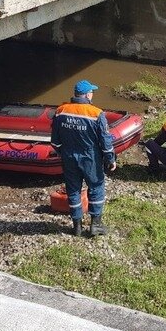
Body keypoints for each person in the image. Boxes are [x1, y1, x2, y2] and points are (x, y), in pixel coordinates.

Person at [51, 79, 116, 237]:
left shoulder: (61, 111)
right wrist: (110, 159)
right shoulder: (96, 113)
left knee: (73, 190)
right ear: (87, 94)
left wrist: (63, 153)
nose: (92, 94)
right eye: (92, 92)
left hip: (69, 156)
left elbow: (55, 141)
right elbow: (105, 141)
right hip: (90, 157)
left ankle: (77, 227)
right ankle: (96, 225)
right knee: (96, 187)